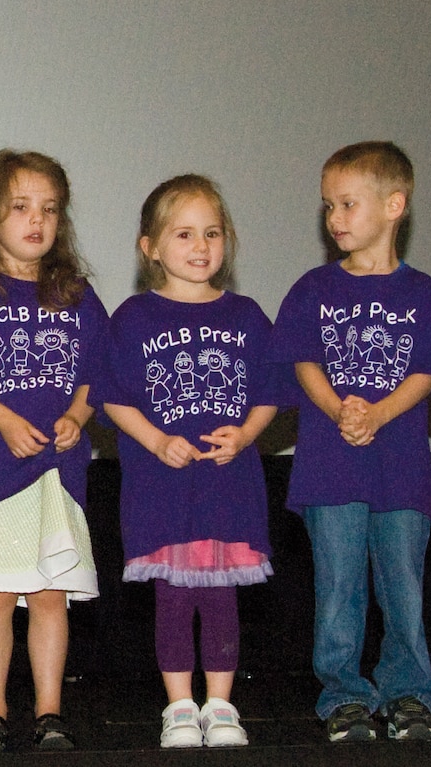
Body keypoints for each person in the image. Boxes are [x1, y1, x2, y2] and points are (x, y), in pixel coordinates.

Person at [269, 141, 431, 742]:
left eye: (348, 204)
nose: (335, 218)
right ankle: (344, 693)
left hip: (400, 472)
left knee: (403, 587)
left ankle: (411, 693)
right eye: (328, 207)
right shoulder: (314, 288)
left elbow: (426, 370)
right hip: (331, 470)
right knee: (339, 586)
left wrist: (380, 412)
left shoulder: (422, 293)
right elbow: (301, 358)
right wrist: (341, 408)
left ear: (394, 205)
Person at [95, 175, 276, 748]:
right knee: (173, 602)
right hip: (164, 491)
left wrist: (246, 433)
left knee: (221, 600)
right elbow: (111, 396)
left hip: (226, 488)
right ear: (149, 246)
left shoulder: (246, 314)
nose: (201, 246)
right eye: (184, 234)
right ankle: (179, 707)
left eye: (212, 233)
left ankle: (220, 706)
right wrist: (154, 440)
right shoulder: (132, 318)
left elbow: (272, 388)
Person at [0, 150, 106, 753]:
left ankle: (50, 709)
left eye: (49, 210)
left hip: (56, 474)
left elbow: (96, 375)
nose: (37, 220)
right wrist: (6, 421)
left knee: (50, 595)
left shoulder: (78, 295)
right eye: (20, 208)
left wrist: (75, 416)